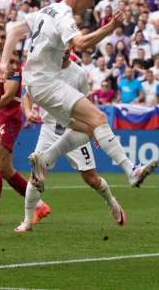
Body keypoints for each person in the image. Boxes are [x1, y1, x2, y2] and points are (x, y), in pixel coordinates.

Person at [0, 0, 157, 209]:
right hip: (47, 83)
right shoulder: (64, 15)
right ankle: (131, 170)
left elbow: (14, 30)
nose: (92, 5)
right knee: (99, 118)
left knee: (90, 129)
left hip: (33, 84)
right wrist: (111, 26)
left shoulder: (48, 9)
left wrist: (3, 62)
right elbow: (81, 44)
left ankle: (46, 159)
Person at [18, 47, 124, 232]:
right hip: (50, 129)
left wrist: (97, 129)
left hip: (75, 131)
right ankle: (27, 220)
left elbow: (88, 102)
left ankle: (111, 202)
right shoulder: (45, 68)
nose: (64, 49)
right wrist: (27, 112)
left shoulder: (79, 73)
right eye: (61, 45)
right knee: (36, 174)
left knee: (91, 179)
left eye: (68, 45)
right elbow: (27, 95)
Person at [0, 25, 49, 227]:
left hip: (8, 116)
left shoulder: (11, 59)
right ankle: (39, 205)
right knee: (5, 170)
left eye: (3, 37)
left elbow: (8, 94)